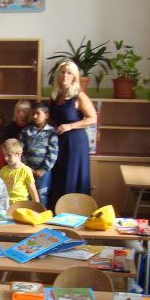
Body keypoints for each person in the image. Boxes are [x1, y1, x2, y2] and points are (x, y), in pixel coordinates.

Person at [48, 60, 97, 209]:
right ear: (58, 75)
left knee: (72, 176)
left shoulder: (79, 96)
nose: (65, 75)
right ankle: (56, 211)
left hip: (75, 142)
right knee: (58, 176)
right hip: (58, 142)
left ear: (74, 77)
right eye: (62, 72)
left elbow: (92, 118)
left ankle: (76, 211)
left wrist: (70, 126)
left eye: (69, 73)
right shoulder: (54, 96)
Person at [20, 101, 58, 206]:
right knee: (27, 195)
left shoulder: (51, 132)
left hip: (43, 173)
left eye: (38, 113)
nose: (35, 116)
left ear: (46, 115)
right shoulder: (26, 131)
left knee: (42, 197)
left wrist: (43, 169)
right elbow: (20, 151)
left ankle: (42, 215)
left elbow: (53, 153)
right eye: (33, 114)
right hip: (28, 171)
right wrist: (26, 168)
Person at [0, 138, 39, 204]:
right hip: (6, 205)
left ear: (19, 154)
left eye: (9, 155)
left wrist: (37, 207)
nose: (5, 158)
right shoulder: (3, 170)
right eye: (4, 155)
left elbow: (33, 191)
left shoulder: (26, 170)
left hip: (21, 205)